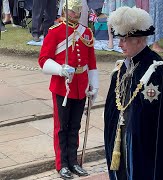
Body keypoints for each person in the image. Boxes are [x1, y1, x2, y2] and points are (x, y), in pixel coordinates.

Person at [104, 6, 163, 180]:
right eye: (119, 39)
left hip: (144, 152)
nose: (119, 44)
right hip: (121, 144)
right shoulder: (121, 68)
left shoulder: (156, 70)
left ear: (139, 40)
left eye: (124, 39)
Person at [38, 0, 98, 179]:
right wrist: (59, 69)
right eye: (73, 10)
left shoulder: (86, 32)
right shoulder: (56, 32)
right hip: (62, 87)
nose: (76, 13)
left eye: (79, 10)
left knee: (75, 126)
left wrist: (94, 85)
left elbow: (91, 62)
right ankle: (62, 164)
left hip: (80, 87)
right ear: (65, 10)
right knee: (62, 127)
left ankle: (73, 161)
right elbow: (43, 60)